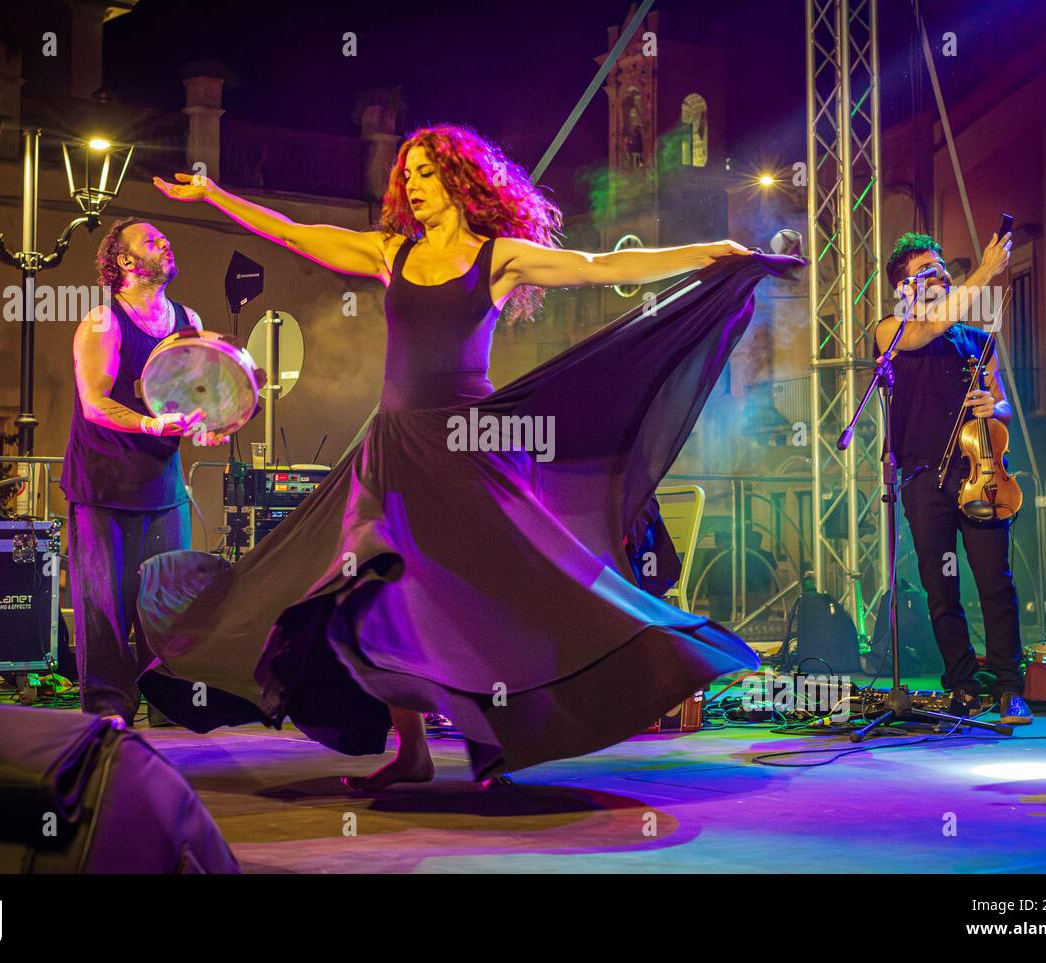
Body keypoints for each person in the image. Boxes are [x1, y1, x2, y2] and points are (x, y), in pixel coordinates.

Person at [139, 123, 804, 788]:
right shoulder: (389, 252)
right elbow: (292, 234)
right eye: (408, 177)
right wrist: (215, 194)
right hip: (394, 447)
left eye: (427, 174)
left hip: (469, 445)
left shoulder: (500, 257)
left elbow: (600, 268)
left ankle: (496, 744)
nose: (413, 188)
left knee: (487, 597)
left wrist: (710, 253)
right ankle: (413, 750)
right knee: (377, 592)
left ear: (460, 180)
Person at [60, 218, 227, 729]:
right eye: (152, 241)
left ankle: (167, 705)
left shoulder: (187, 318)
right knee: (104, 607)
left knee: (167, 600)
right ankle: (109, 710)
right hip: (102, 484)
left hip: (160, 483)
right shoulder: (103, 323)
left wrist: (206, 424)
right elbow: (94, 402)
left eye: (164, 238)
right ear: (128, 263)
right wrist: (152, 424)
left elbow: (195, 394)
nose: (165, 243)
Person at [873, 230, 1031, 725]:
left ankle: (1009, 686)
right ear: (903, 288)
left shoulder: (979, 341)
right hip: (924, 480)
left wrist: (994, 405)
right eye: (925, 271)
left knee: (995, 585)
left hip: (981, 473)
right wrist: (983, 274)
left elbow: (1002, 402)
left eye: (942, 267)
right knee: (941, 587)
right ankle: (963, 683)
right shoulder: (893, 330)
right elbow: (927, 330)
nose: (940, 274)